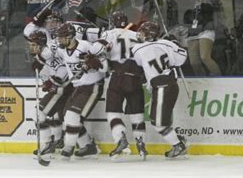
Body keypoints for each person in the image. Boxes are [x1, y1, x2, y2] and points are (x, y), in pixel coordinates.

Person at [131, 21, 188, 158]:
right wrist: (173, 42)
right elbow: (181, 58)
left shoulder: (138, 49)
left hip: (162, 86)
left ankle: (178, 145)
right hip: (169, 84)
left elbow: (139, 61)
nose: (141, 34)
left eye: (143, 32)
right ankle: (178, 140)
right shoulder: (167, 44)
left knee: (158, 123)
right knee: (159, 120)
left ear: (149, 34)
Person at [54, 22, 108, 158]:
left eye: (62, 37)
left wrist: (95, 64)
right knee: (67, 117)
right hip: (77, 86)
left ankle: (68, 149)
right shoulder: (61, 50)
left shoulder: (85, 46)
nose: (59, 40)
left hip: (93, 86)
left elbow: (105, 66)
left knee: (72, 116)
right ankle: (87, 146)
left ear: (71, 36)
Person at [101, 11, 148, 158]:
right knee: (137, 114)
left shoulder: (108, 34)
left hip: (118, 77)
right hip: (136, 77)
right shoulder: (137, 35)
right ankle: (141, 145)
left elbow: (99, 54)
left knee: (113, 112)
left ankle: (121, 138)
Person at [28, 30, 72, 157]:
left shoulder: (50, 51)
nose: (31, 47)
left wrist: (51, 82)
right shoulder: (40, 58)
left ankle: (48, 144)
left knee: (38, 115)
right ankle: (58, 141)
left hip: (62, 89)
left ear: (41, 45)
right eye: (30, 44)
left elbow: (64, 68)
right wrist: (48, 83)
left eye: (33, 45)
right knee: (54, 117)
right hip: (59, 90)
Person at [181, 0, 221, 76]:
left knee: (205, 57)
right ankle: (202, 81)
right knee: (194, 63)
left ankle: (220, 79)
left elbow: (215, 10)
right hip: (193, 30)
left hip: (206, 28)